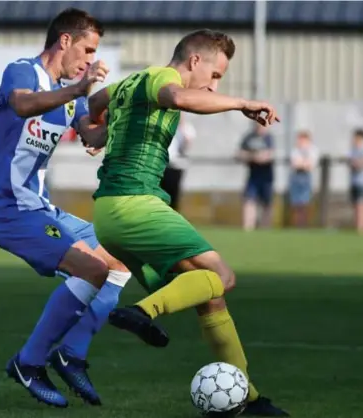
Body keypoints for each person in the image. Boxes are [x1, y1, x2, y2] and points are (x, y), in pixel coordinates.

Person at [86, 29, 288, 416]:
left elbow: (93, 104)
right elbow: (178, 97)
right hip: (136, 205)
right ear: (194, 61)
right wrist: (241, 103)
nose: (213, 87)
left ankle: (249, 401)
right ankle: (142, 312)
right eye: (215, 76)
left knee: (209, 294)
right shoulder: (165, 78)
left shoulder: (129, 83)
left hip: (108, 217)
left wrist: (93, 129)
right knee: (223, 275)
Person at [0, 9, 137, 408]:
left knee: (118, 260)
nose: (90, 58)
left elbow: (90, 134)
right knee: (93, 269)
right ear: (64, 41)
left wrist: (125, 118)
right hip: (9, 212)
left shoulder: (72, 94)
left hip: (42, 210)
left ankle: (71, 354)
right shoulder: (22, 72)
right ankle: (29, 362)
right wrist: (80, 88)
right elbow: (23, 105)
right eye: (87, 49)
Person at [237, 124, 275, 231]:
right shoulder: (249, 137)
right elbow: (239, 153)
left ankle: (266, 229)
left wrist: (261, 157)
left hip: (266, 176)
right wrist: (253, 156)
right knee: (249, 201)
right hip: (253, 176)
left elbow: (270, 155)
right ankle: (248, 228)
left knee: (267, 203)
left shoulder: (269, 138)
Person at [160, 112, 196, 211]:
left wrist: (182, 128)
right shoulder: (164, 125)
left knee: (173, 194)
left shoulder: (186, 128)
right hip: (162, 164)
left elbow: (186, 146)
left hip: (176, 165)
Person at [287, 130, 318, 228]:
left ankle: (303, 225)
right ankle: (297, 225)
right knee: (295, 203)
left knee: (305, 203)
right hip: (296, 177)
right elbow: (295, 164)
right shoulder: (295, 150)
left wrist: (302, 164)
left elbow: (310, 165)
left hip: (306, 178)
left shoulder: (312, 150)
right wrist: (303, 164)